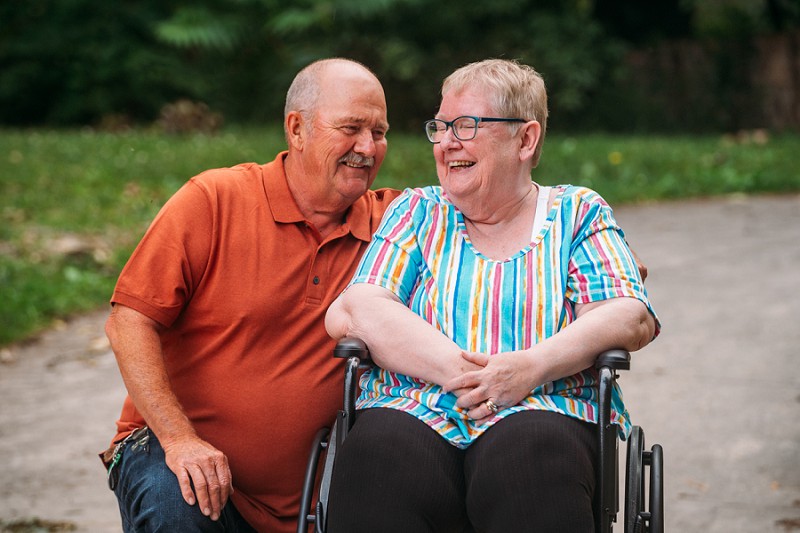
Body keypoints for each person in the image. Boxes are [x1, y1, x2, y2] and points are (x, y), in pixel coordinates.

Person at [324, 58, 660, 532]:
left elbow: (629, 314)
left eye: (466, 125)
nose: (446, 142)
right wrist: (461, 374)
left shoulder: (577, 213)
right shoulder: (418, 211)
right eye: (439, 127)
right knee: (376, 455)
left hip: (544, 408)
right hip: (415, 408)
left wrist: (529, 368)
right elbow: (358, 307)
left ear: (526, 139)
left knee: (530, 459)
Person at [100, 58, 401, 532]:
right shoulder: (214, 200)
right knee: (175, 502)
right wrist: (180, 440)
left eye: (380, 132)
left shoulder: (396, 227)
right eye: (351, 128)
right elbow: (128, 320)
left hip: (305, 498)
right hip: (173, 454)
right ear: (297, 129)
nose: (368, 147)